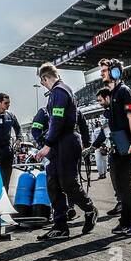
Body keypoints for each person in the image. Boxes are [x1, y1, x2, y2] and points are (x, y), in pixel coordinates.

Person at [34, 62, 98, 239]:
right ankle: (60, 226)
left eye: (43, 82)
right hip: (59, 143)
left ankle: (89, 209)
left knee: (68, 182)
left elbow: (57, 120)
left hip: (66, 141)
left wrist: (47, 144)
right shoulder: (58, 92)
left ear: (45, 78)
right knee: (53, 183)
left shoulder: (60, 91)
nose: (44, 85)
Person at [99, 58, 131, 235]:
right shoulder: (112, 94)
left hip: (126, 144)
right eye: (102, 71)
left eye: (105, 70)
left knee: (124, 185)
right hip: (117, 145)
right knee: (120, 186)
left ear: (115, 72)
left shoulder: (124, 91)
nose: (102, 73)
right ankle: (126, 221)